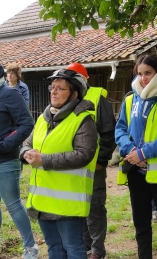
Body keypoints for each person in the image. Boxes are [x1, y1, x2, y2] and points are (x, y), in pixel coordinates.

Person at [20, 69, 99, 259]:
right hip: (44, 200)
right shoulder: (43, 118)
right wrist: (25, 153)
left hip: (68, 203)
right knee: (54, 247)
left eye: (60, 88)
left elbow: (84, 154)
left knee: (73, 248)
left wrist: (44, 160)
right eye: (52, 87)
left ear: (74, 94)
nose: (53, 92)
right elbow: (27, 143)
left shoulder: (83, 119)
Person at [115, 54, 157, 259]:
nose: (144, 78)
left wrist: (143, 153)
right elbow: (120, 129)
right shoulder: (129, 101)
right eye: (140, 73)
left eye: (148, 73)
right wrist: (131, 151)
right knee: (141, 225)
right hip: (136, 173)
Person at [66, 62, 116, 259]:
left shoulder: (98, 100)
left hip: (93, 165)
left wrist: (101, 160)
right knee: (79, 206)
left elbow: (108, 133)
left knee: (94, 207)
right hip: (73, 165)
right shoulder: (67, 99)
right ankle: (85, 246)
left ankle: (97, 250)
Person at [0, 64, 38, 259]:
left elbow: (26, 123)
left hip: (5, 160)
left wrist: (6, 144)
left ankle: (30, 247)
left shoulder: (9, 94)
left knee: (13, 204)